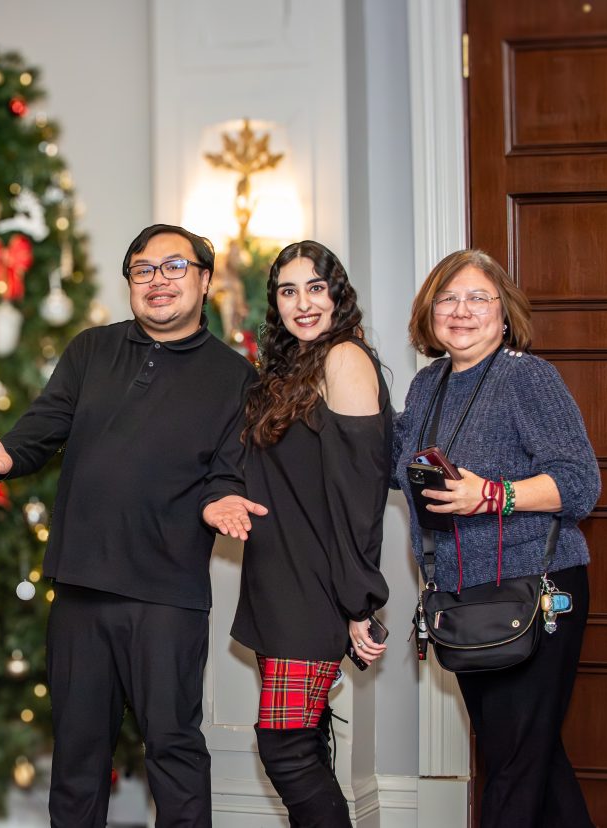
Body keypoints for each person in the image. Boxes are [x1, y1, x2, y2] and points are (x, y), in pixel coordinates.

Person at [0, 224, 263, 827]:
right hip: (81, 587)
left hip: (167, 596)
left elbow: (231, 471)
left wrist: (218, 502)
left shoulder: (235, 377)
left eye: (174, 267)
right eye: (143, 269)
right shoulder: (91, 350)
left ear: (204, 280)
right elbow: (41, 428)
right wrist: (5, 456)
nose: (157, 281)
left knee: (174, 751)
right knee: (77, 759)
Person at [392, 249, 599, 828]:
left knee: (512, 767)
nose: (461, 311)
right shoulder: (427, 385)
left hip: (535, 591)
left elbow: (580, 483)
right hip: (463, 602)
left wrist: (492, 495)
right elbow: (392, 464)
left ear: (504, 313)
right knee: (530, 760)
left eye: (478, 298)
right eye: (447, 298)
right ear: (429, 312)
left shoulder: (525, 377)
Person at [229, 241, 391, 825]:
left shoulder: (343, 358)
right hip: (281, 579)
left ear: (337, 293)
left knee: (286, 748)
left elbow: (360, 492)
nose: (303, 303)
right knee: (308, 742)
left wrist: (357, 601)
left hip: (315, 585)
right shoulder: (292, 366)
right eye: (288, 290)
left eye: (316, 287)